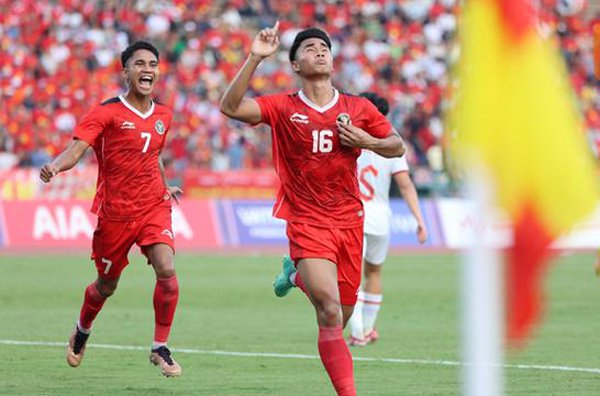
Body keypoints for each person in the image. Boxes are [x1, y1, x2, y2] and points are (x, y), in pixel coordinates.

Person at [220, 23, 405, 395]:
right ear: (295, 66)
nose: (319, 51)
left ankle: (295, 277)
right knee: (331, 311)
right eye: (309, 48)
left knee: (340, 314)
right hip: (307, 220)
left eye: (324, 47)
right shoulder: (284, 106)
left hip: (350, 221)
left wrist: (367, 140)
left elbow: (396, 145)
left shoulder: (358, 107)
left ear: (333, 62)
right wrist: (255, 57)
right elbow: (230, 107)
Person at [39, 41, 183, 377]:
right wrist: (56, 167)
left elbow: (154, 155)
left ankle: (160, 346)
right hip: (116, 213)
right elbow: (76, 151)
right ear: (126, 72)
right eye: (139, 64)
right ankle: (82, 329)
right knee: (107, 285)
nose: (147, 69)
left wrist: (164, 186)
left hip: (153, 206)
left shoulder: (164, 114)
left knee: (166, 268)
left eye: (152, 64)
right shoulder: (105, 111)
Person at [348, 92, 429, 347]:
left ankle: (358, 332)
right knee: (374, 272)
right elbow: (405, 186)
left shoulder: (349, 140)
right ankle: (369, 328)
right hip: (381, 218)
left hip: (353, 215)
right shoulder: (392, 145)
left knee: (351, 276)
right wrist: (420, 219)